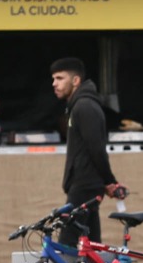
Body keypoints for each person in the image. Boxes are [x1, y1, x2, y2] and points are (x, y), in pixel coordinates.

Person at [51, 57, 125, 246]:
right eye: (53, 79)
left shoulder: (84, 107)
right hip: (86, 185)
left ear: (75, 81)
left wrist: (109, 181)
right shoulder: (79, 106)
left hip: (84, 186)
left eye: (60, 78)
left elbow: (97, 149)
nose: (54, 84)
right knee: (91, 244)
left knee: (66, 243)